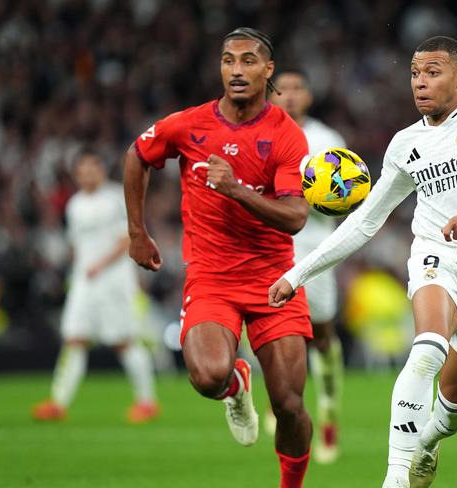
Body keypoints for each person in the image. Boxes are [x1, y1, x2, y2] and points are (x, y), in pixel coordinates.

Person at [269, 36, 457, 488]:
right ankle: (395, 477)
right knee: (426, 349)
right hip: (437, 255)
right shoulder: (406, 145)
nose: (420, 83)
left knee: (455, 405)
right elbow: (365, 221)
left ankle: (428, 443)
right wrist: (298, 273)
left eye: (433, 72)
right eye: (415, 73)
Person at [123, 28, 313, 488]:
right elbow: (137, 154)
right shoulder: (189, 124)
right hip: (212, 277)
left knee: (288, 404)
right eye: (228, 61)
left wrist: (234, 189)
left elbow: (295, 217)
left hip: (275, 279)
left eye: (248, 61)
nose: (236, 70)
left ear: (268, 71)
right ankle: (235, 385)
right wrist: (136, 231)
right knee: (208, 376)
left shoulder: (287, 136)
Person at [33, 150, 159, 423]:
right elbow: (77, 245)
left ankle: (147, 402)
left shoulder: (115, 198)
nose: (88, 173)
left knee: (123, 342)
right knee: (73, 339)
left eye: (93, 167)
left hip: (113, 282)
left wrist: (100, 265)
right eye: (83, 169)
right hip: (84, 281)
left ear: (102, 170)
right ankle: (58, 402)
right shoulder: (74, 204)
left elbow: (129, 238)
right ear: (76, 174)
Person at [270, 68, 346, 464]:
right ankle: (281, 403)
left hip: (316, 246)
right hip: (271, 247)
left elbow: (349, 193)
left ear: (309, 96)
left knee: (321, 333)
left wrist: (320, 195)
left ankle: (330, 414)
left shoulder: (326, 140)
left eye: (298, 88)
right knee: (271, 331)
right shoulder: (261, 133)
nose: (290, 96)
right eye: (282, 89)